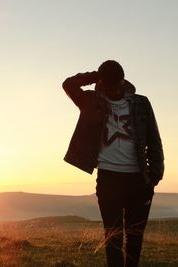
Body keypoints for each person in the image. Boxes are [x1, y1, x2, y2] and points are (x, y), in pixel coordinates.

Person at [62, 60, 164, 267]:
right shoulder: (91, 101)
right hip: (109, 179)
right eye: (110, 87)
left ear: (124, 81)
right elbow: (68, 84)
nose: (115, 91)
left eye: (118, 86)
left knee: (135, 238)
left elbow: (154, 139)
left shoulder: (141, 102)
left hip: (139, 180)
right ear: (102, 84)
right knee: (113, 237)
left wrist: (155, 175)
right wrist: (95, 76)